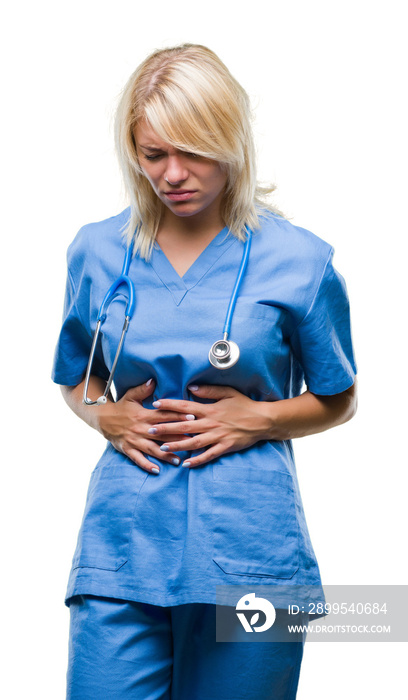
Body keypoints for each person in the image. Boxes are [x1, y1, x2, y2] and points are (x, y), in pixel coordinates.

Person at [52, 43, 358, 699]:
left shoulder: (299, 262)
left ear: (232, 141)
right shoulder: (100, 252)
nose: (172, 174)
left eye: (193, 151)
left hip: (253, 547)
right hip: (123, 547)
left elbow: (339, 396)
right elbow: (84, 376)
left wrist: (262, 418)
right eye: (153, 153)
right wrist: (98, 412)